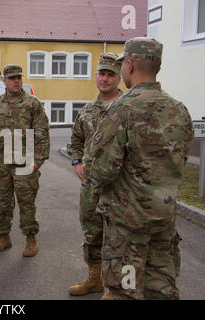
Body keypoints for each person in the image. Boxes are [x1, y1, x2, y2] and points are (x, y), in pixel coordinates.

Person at [89, 37, 194, 300]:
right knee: (162, 289)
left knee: (125, 290)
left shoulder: (121, 110)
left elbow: (103, 170)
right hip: (164, 220)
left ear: (130, 65)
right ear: (157, 68)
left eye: (123, 63)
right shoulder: (179, 110)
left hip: (128, 226)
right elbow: (180, 162)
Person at [67, 53, 123, 296]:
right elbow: (76, 139)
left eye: (110, 74)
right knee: (92, 232)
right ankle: (94, 278)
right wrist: (77, 161)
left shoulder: (127, 108)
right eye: (102, 73)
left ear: (119, 78)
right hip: (91, 185)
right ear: (96, 76)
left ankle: (115, 286)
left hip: (120, 186)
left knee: (118, 236)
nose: (105, 78)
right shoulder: (87, 110)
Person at [0, 64, 50, 257]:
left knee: (26, 202)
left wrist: (37, 160)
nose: (16, 81)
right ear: (4, 81)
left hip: (25, 162)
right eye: (11, 78)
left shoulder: (32, 103)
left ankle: (31, 239)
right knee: (0, 201)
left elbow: (42, 133)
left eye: (18, 77)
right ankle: (4, 237)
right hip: (1, 161)